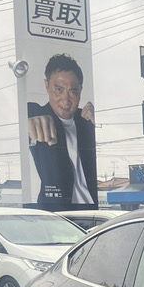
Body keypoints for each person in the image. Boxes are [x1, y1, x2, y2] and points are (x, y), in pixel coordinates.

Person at [27, 53, 98, 211]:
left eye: (73, 92)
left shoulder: (86, 121)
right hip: (54, 211)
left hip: (90, 209)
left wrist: (98, 122)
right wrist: (29, 121)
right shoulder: (37, 116)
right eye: (59, 90)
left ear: (81, 90)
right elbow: (27, 111)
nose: (66, 100)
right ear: (47, 85)